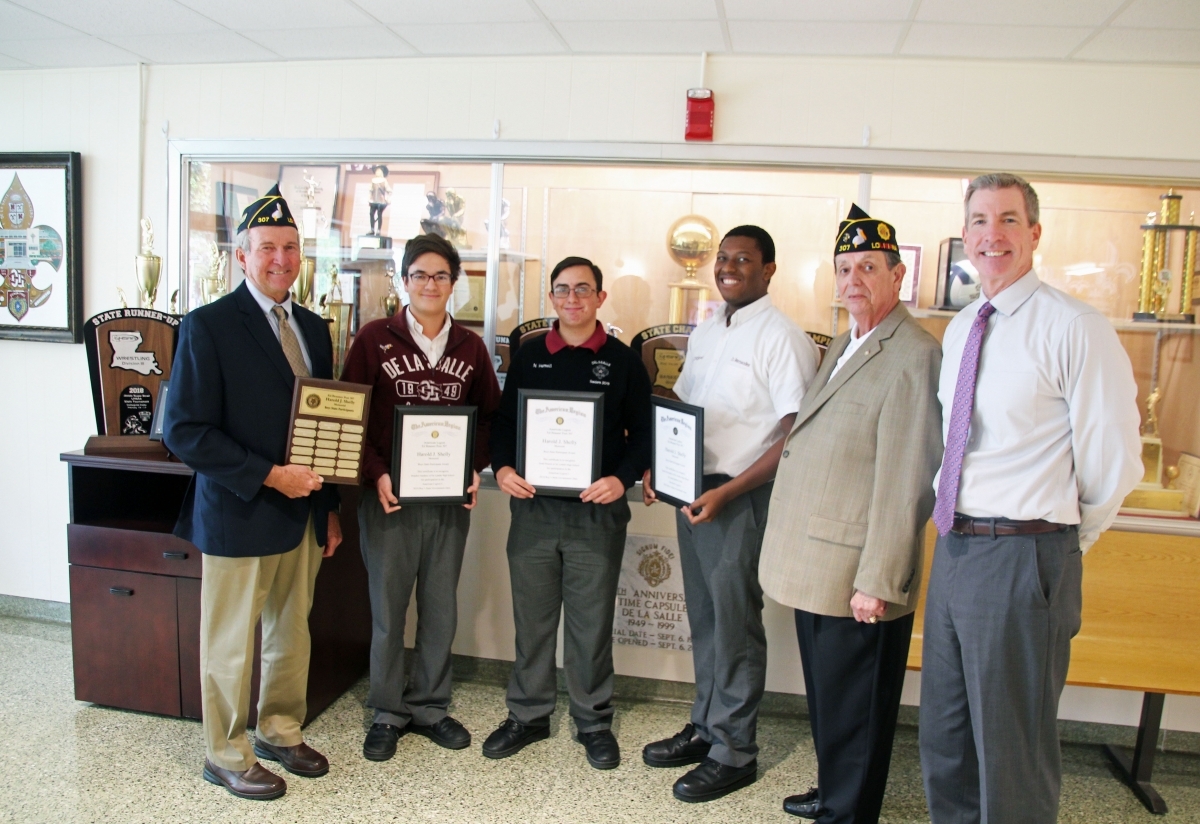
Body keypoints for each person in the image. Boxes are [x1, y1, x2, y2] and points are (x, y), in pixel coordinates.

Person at [920, 173, 1142, 823]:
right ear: (966, 237)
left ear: (1036, 234)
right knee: (946, 738)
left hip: (1024, 554)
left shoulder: (1075, 327)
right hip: (957, 548)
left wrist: (1063, 543)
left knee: (1010, 751)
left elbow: (1114, 459)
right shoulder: (962, 329)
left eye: (1010, 220)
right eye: (981, 221)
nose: (994, 235)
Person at [758, 206, 943, 822]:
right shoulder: (846, 340)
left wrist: (879, 579)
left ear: (898, 278)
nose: (853, 279)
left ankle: (849, 810)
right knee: (832, 700)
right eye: (844, 268)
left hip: (857, 574)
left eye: (868, 267)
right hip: (818, 560)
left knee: (857, 707)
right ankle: (835, 789)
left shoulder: (913, 354)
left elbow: (907, 477)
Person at [164, 185, 342, 801]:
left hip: (302, 518)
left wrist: (329, 510)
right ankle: (225, 753)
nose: (281, 259)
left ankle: (279, 729)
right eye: (267, 247)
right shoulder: (208, 326)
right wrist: (270, 475)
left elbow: (326, 429)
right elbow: (185, 431)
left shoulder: (316, 330)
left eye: (290, 247)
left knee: (292, 634)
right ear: (242, 256)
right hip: (240, 511)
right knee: (231, 645)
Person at [642, 225, 820, 803]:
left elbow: (794, 435)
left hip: (737, 498)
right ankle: (705, 724)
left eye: (743, 259)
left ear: (769, 270)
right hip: (692, 491)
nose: (728, 267)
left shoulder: (782, 337)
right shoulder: (709, 328)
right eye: (723, 258)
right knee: (705, 618)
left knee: (736, 624)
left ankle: (735, 750)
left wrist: (728, 491)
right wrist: (658, 465)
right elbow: (688, 409)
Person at [485, 256, 652, 770]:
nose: (573, 298)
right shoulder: (531, 354)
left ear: (600, 298)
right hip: (534, 511)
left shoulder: (623, 360)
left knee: (590, 624)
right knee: (532, 622)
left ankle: (593, 720)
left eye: (583, 289)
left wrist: (619, 479)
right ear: (552, 298)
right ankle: (529, 715)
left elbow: (642, 435)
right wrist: (504, 467)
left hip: (596, 516)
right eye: (563, 290)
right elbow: (504, 424)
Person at [341, 233, 501, 762]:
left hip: (448, 503)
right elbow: (352, 417)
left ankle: (430, 705)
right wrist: (377, 474)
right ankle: (387, 710)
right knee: (388, 609)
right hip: (389, 499)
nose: (430, 285)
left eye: (440, 276)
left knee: (440, 607)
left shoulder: (471, 347)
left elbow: (488, 421)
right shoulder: (372, 339)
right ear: (404, 280)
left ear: (454, 284)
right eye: (419, 275)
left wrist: (474, 470)